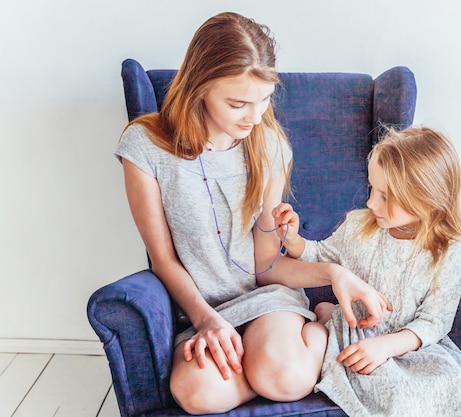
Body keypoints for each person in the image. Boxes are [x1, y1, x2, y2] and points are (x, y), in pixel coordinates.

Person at [115, 12, 390, 415]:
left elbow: (266, 265)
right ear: (199, 87)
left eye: (264, 100)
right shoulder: (145, 147)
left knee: (285, 377)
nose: (254, 116)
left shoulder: (269, 147)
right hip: (203, 310)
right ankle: (267, 367)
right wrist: (207, 321)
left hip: (268, 301)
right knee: (198, 395)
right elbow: (164, 260)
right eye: (238, 103)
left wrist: (336, 274)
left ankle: (307, 339)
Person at [273, 126, 461, 416]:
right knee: (395, 400)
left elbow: (434, 322)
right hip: (355, 336)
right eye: (371, 190)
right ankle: (328, 315)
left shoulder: (448, 251)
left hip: (409, 346)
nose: (370, 203)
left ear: (427, 198)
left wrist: (386, 347)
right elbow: (319, 255)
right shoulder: (359, 227)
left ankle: (327, 312)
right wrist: (292, 238)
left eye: (385, 196)